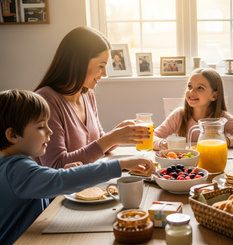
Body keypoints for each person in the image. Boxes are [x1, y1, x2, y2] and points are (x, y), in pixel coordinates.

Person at [0, 89, 154, 245]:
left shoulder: (13, 165)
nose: (50, 131)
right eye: (41, 127)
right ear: (13, 135)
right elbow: (60, 181)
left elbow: (44, 191)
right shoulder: (15, 170)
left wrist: (63, 174)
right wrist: (120, 165)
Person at [34, 26, 150, 169]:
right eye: (101, 66)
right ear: (79, 62)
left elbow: (98, 147)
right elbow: (56, 166)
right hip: (58, 190)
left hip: (84, 184)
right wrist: (111, 138)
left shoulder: (87, 94)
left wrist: (117, 134)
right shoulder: (46, 100)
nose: (105, 74)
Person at [153, 68, 233, 150]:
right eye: (189, 86)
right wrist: (163, 144)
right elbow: (151, 137)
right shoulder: (179, 115)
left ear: (214, 96)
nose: (191, 91)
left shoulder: (222, 118)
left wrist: (227, 141)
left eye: (200, 88)